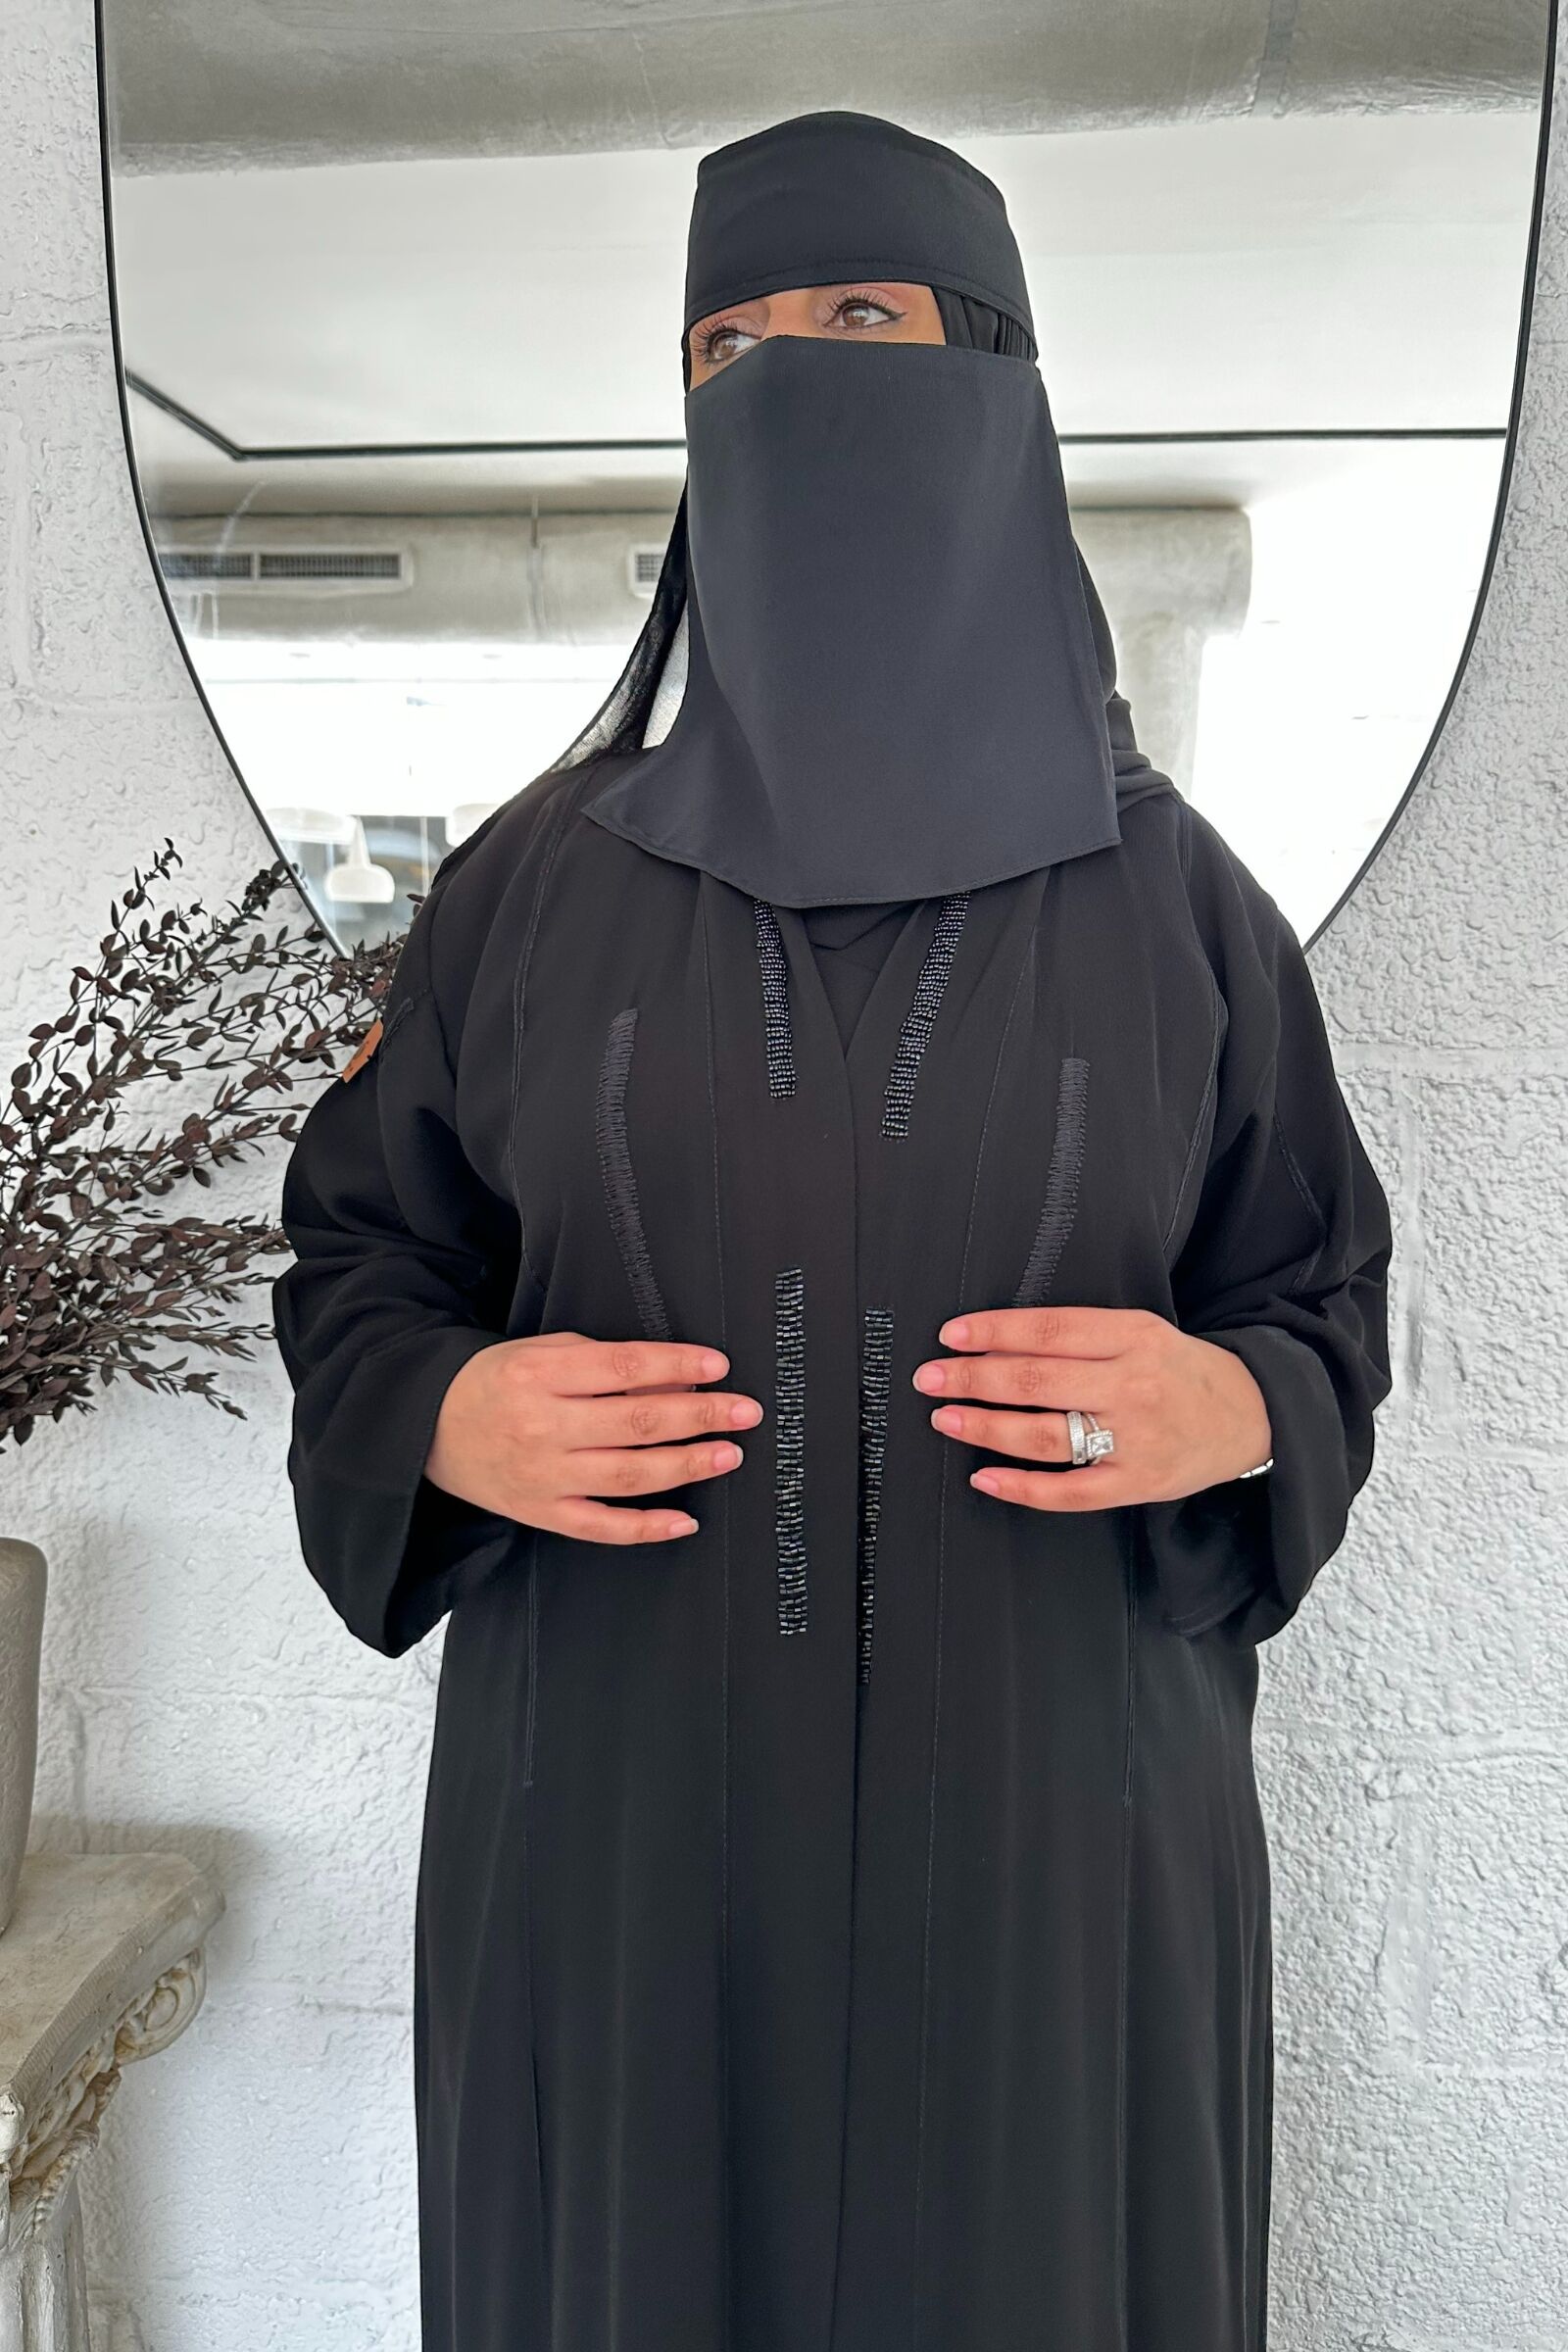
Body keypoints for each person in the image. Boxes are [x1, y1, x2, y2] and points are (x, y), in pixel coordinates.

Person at [273, 109, 1394, 2352]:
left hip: (1056, 1857)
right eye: (725, 342)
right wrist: (446, 1416)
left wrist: (1232, 1409)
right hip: (612, 1840)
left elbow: (1313, 1304)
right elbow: (364, 1268)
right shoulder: (531, 888)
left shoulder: (1173, 903)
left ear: (992, 378)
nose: (782, 372)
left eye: (857, 313)